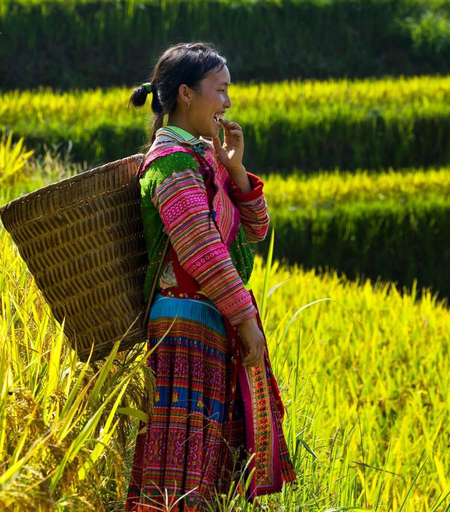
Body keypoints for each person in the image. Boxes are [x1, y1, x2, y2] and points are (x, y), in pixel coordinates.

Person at [126, 42, 297, 511]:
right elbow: (201, 250)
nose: (227, 102)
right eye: (219, 90)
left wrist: (236, 169)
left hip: (208, 322)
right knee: (178, 468)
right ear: (185, 94)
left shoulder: (204, 158)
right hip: (183, 327)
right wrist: (245, 320)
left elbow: (255, 231)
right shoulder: (170, 164)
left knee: (202, 466)